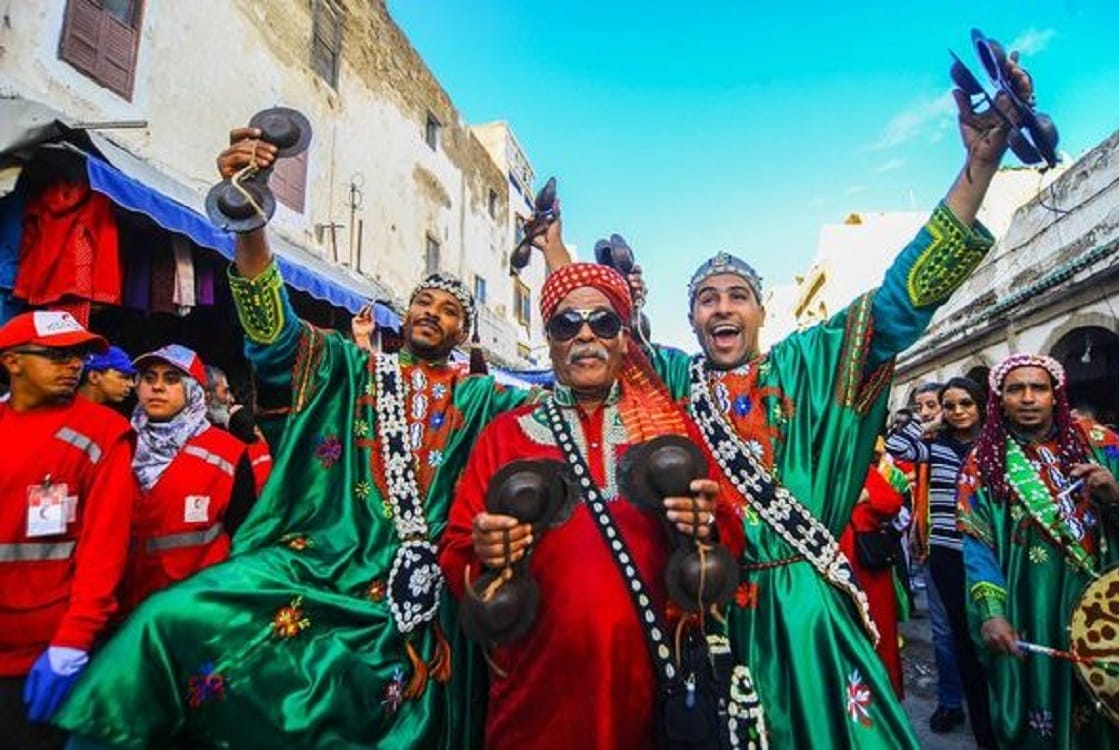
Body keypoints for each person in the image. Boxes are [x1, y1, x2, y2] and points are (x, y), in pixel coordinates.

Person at [53, 129, 543, 748]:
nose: (431, 313)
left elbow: (554, 417)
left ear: (462, 333)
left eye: (449, 310)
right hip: (315, 559)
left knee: (358, 695)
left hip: (415, 593)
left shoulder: (480, 399)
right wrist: (250, 221)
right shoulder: (349, 367)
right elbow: (273, 334)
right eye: (423, 301)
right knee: (170, 619)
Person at [627, 53, 1037, 748]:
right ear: (691, 320)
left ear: (760, 314)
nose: (722, 309)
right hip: (712, 607)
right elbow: (604, 348)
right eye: (706, 300)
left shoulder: (812, 362)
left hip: (810, 609)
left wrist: (981, 169)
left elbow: (902, 299)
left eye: (737, 297)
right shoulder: (673, 380)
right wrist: (560, 254)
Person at [440, 263, 735, 749]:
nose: (584, 335)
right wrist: (485, 550)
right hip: (535, 692)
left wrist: (705, 525)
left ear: (623, 340)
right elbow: (455, 550)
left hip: (650, 685)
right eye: (565, 324)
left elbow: (725, 536)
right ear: (549, 341)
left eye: (602, 322)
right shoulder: (506, 435)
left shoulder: (668, 428)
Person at [958, 354, 1119, 749]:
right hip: (1037, 611)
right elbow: (978, 544)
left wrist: (1118, 495)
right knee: (1050, 708)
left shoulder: (1099, 442)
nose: (1028, 398)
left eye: (1039, 388)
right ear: (999, 399)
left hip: (1117, 611)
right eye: (1016, 389)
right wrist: (992, 614)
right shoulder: (984, 462)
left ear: (1055, 396)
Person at [0, 311, 136, 750]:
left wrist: (72, 642)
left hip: (43, 656)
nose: (74, 366)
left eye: (78, 355)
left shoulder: (103, 434)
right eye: (58, 356)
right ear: (13, 361)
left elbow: (104, 550)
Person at [886, 375, 994, 747]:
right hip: (946, 553)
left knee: (994, 631)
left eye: (966, 403)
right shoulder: (936, 446)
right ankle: (962, 710)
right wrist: (930, 421)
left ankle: (1004, 709)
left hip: (992, 553)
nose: (958, 411)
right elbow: (897, 446)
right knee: (954, 637)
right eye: (951, 405)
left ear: (981, 405)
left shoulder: (995, 445)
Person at [118, 345, 257, 613]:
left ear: (194, 390)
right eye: (149, 378)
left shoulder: (228, 452)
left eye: (171, 379)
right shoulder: (116, 444)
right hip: (123, 615)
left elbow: (244, 537)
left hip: (197, 612)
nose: (157, 387)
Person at [838, 442, 906, 697]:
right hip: (832, 571)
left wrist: (865, 495)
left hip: (868, 572)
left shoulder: (860, 470)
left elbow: (892, 502)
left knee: (877, 634)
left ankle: (884, 697)